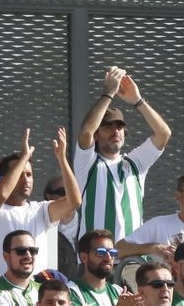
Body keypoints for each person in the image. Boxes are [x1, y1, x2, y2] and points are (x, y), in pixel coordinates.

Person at [71, 65, 172, 242]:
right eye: (107, 126)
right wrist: (108, 93)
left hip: (132, 260)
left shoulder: (135, 163)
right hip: (96, 259)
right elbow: (86, 133)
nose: (115, 131)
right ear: (97, 134)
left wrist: (137, 100)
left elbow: (164, 133)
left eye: (119, 127)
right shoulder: (88, 164)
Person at [0, 126, 82, 277]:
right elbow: (2, 193)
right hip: (1, 295)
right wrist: (24, 157)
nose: (26, 180)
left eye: (29, 174)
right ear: (4, 178)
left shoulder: (41, 210)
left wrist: (62, 159)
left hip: (37, 297)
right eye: (19, 174)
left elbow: (74, 201)